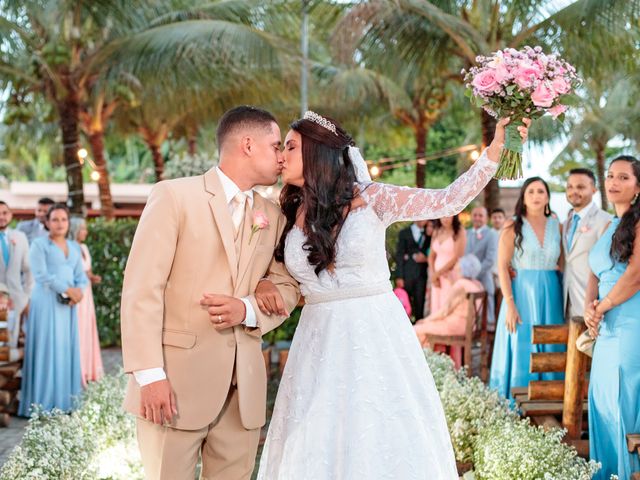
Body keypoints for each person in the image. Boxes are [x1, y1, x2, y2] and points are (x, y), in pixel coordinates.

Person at [256, 111, 529, 479]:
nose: (281, 156)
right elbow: (276, 274)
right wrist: (264, 283)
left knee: (379, 432)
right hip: (317, 339)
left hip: (374, 334)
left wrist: (496, 148)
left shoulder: (373, 197)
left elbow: (449, 200)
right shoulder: (287, 210)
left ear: (318, 152)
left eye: (290, 146)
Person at [120, 106, 299, 480]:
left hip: (242, 397)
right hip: (173, 389)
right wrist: (149, 376)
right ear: (247, 145)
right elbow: (142, 289)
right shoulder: (174, 196)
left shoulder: (275, 215)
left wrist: (248, 309)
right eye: (274, 145)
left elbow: (288, 287)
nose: (282, 157)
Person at [584, 155, 640, 480]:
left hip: (629, 320)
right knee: (603, 397)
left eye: (623, 178)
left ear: (637, 188)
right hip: (604, 324)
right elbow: (594, 268)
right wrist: (589, 307)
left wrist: (602, 307)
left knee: (624, 398)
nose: (613, 183)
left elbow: (635, 275)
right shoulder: (609, 225)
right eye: (610, 176)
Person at [489, 177, 565, 402]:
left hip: (551, 290)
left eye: (541, 191)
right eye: (531, 191)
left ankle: (551, 399)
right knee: (522, 341)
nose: (536, 196)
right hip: (521, 293)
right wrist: (510, 304)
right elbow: (502, 266)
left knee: (551, 343)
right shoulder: (513, 224)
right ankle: (518, 401)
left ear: (548, 197)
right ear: (523, 196)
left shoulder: (556, 224)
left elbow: (562, 260)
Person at [18, 204, 87, 416]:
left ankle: (65, 403)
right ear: (47, 222)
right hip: (45, 302)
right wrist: (68, 289)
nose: (59, 224)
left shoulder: (75, 248)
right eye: (55, 219)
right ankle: (42, 403)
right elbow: (41, 275)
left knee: (65, 348)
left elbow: (81, 276)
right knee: (47, 349)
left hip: (68, 307)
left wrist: (79, 292)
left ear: (68, 222)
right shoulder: (39, 244)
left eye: (63, 220)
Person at [414, 254, 484, 368]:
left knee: (416, 329)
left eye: (457, 266)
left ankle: (423, 366)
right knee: (428, 329)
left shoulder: (460, 285)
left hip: (456, 326)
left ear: (462, 268)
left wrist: (425, 320)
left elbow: (444, 312)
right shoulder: (477, 284)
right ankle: (441, 364)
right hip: (471, 326)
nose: (455, 268)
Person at [562, 168, 611, 319]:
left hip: (592, 305)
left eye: (581, 187)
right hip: (567, 302)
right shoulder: (566, 222)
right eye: (570, 187)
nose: (574, 191)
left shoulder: (605, 221)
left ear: (594, 189)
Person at [69, 218, 104, 386]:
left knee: (88, 327)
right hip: (77, 293)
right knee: (79, 328)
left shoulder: (84, 248)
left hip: (87, 292)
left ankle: (89, 369)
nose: (86, 232)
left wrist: (93, 277)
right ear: (76, 229)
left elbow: (87, 271)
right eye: (83, 229)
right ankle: (78, 368)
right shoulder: (69, 247)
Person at [0, 201, 32, 347]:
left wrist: (26, 295)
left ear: (11, 215)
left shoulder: (20, 237)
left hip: (17, 298)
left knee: (11, 342)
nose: (1, 216)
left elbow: (28, 269)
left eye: (5, 213)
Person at [466, 206, 498, 323]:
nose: (477, 218)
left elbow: (490, 260)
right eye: (475, 215)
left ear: (486, 218)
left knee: (485, 315)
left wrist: (473, 274)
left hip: (484, 279)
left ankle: (487, 332)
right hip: (467, 281)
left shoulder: (492, 234)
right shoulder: (466, 233)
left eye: (480, 215)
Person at [395, 220, 430, 320]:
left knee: (420, 304)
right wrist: (399, 276)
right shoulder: (404, 233)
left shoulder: (429, 232)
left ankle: (419, 329)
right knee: (405, 304)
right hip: (407, 276)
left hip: (422, 276)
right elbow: (400, 255)